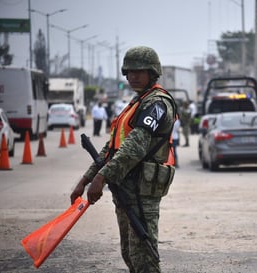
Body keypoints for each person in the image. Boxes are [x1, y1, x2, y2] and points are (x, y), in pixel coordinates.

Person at [70, 46, 177, 273]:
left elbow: (134, 147)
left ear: (152, 72)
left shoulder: (156, 104)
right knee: (129, 254)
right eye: (129, 72)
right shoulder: (136, 103)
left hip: (141, 191)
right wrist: (87, 178)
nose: (133, 76)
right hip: (124, 188)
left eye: (139, 71)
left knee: (144, 259)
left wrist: (102, 177)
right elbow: (112, 147)